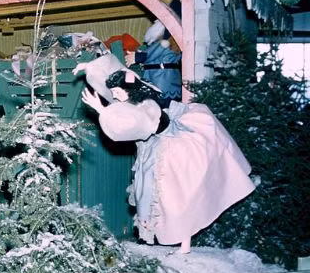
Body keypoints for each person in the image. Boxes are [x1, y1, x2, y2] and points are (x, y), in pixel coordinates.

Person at [80, 81, 254, 254]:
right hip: (156, 150)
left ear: (128, 91)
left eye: (117, 91)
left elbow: (131, 125)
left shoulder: (147, 107)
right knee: (160, 195)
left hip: (169, 153)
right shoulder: (133, 103)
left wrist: (102, 110)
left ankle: (182, 243)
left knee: (173, 197)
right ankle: (173, 239)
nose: (115, 95)